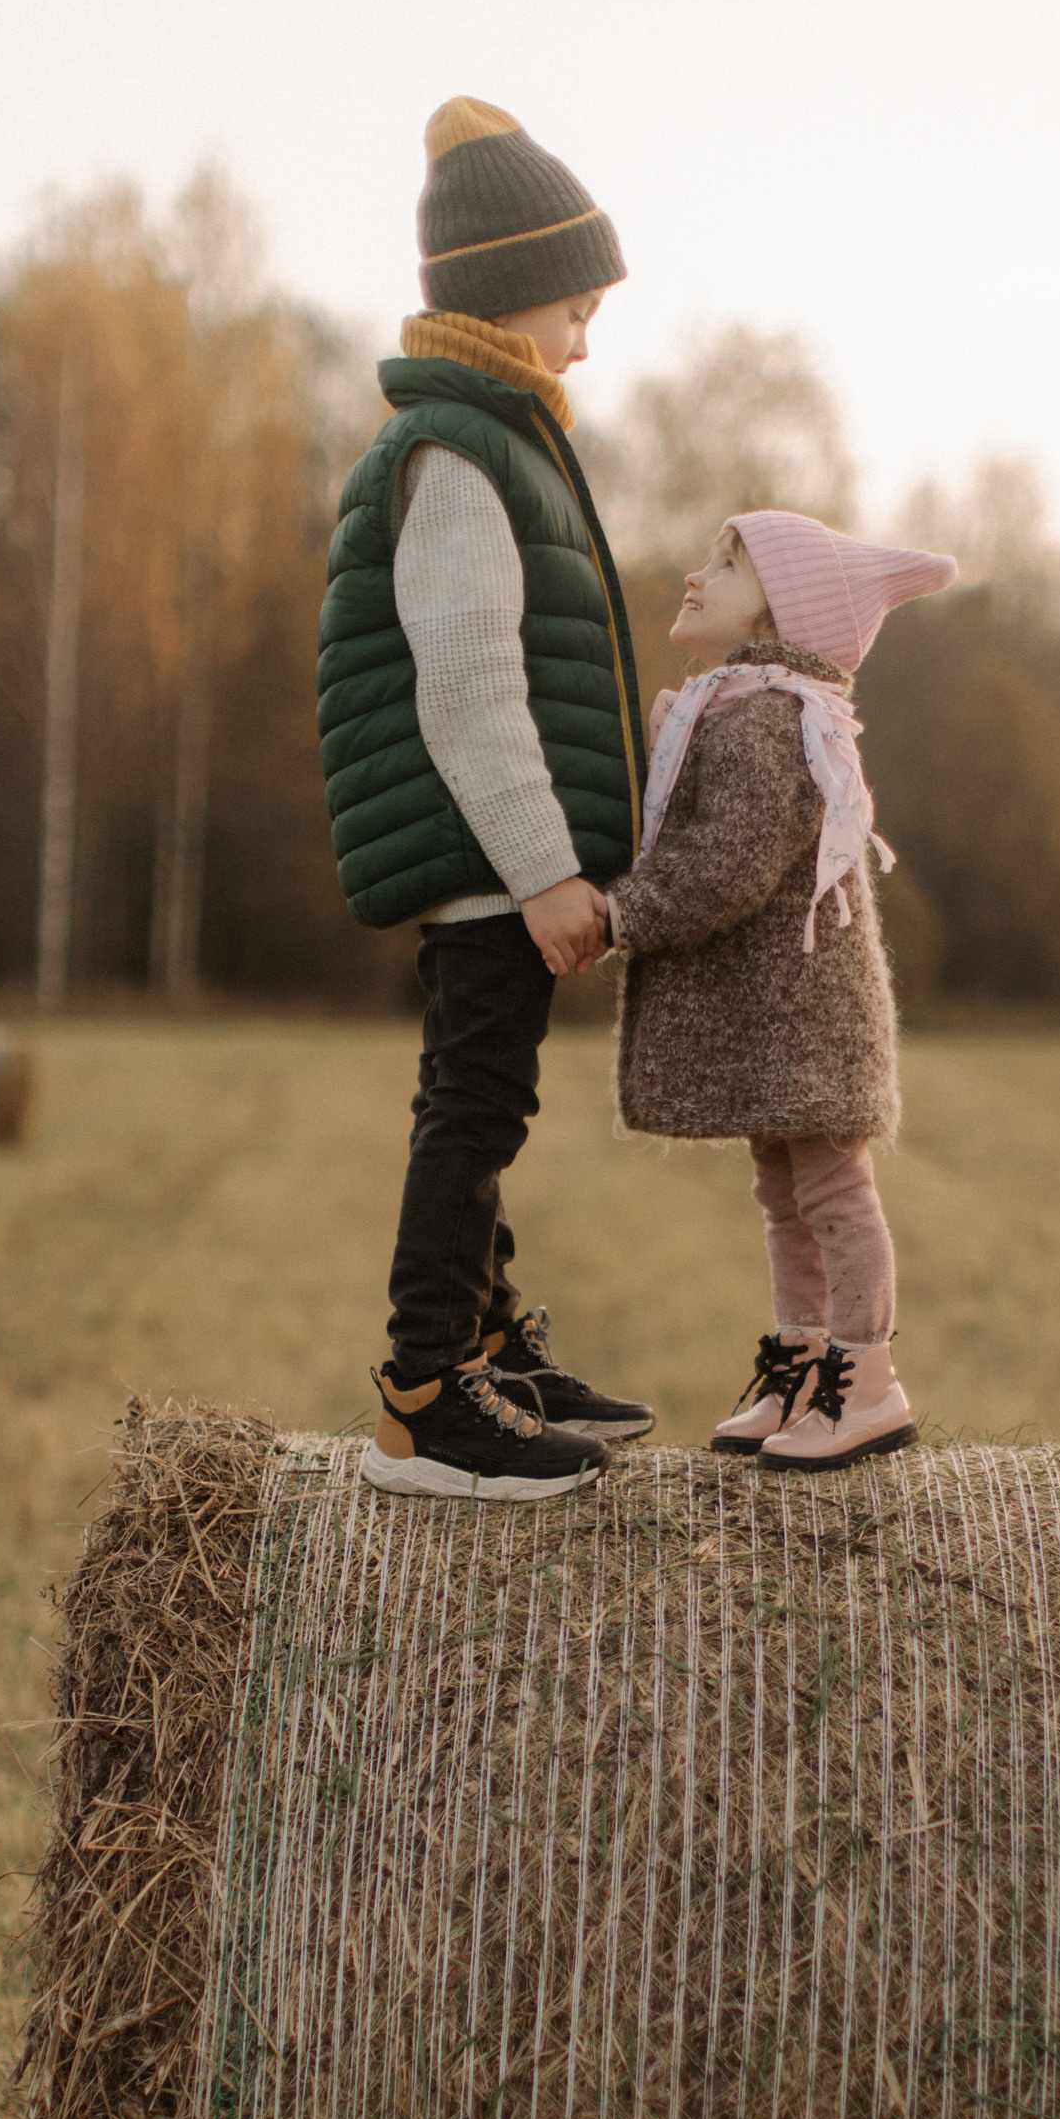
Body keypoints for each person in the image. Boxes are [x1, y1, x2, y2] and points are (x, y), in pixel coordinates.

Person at [318, 98, 656, 1502]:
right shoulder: (457, 456)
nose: (588, 338)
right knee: (475, 1104)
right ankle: (423, 1385)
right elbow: (466, 687)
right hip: (487, 858)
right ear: (513, 297)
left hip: (492, 858)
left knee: (480, 1097)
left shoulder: (495, 439)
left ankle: (487, 1341)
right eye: (577, 306)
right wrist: (543, 867)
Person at [606, 513, 957, 1471]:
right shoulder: (736, 707)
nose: (694, 575)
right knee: (783, 1191)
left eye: (726, 564)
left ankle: (868, 1377)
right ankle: (803, 1361)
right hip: (781, 1014)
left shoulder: (775, 717)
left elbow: (725, 865)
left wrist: (619, 913)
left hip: (807, 1016)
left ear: (781, 609)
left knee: (833, 1189)